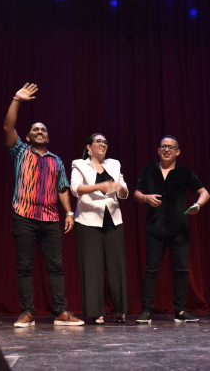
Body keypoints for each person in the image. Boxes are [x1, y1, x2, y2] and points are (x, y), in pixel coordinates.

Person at [4, 83, 83, 327]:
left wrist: (69, 212)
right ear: (27, 137)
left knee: (56, 267)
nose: (40, 132)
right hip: (24, 217)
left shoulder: (57, 160)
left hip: (50, 219)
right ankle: (27, 312)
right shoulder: (20, 151)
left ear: (47, 137)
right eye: (35, 129)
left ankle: (61, 311)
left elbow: (62, 189)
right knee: (24, 266)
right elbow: (8, 126)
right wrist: (17, 99)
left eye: (44, 130)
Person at [134, 135, 210, 324]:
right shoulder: (149, 171)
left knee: (182, 270)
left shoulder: (185, 173)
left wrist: (198, 206)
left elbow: (204, 193)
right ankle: (146, 311)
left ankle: (180, 311)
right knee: (151, 270)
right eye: (163, 147)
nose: (167, 150)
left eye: (171, 147)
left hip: (179, 229)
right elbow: (136, 193)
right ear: (158, 150)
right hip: (155, 228)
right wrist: (146, 198)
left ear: (177, 151)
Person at [70, 133, 129, 324]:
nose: (103, 144)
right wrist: (99, 186)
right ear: (89, 147)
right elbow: (75, 188)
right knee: (92, 266)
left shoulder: (114, 164)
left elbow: (124, 192)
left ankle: (120, 310)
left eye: (105, 142)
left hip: (113, 218)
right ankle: (97, 312)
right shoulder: (79, 164)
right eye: (99, 141)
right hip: (88, 219)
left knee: (117, 265)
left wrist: (120, 188)